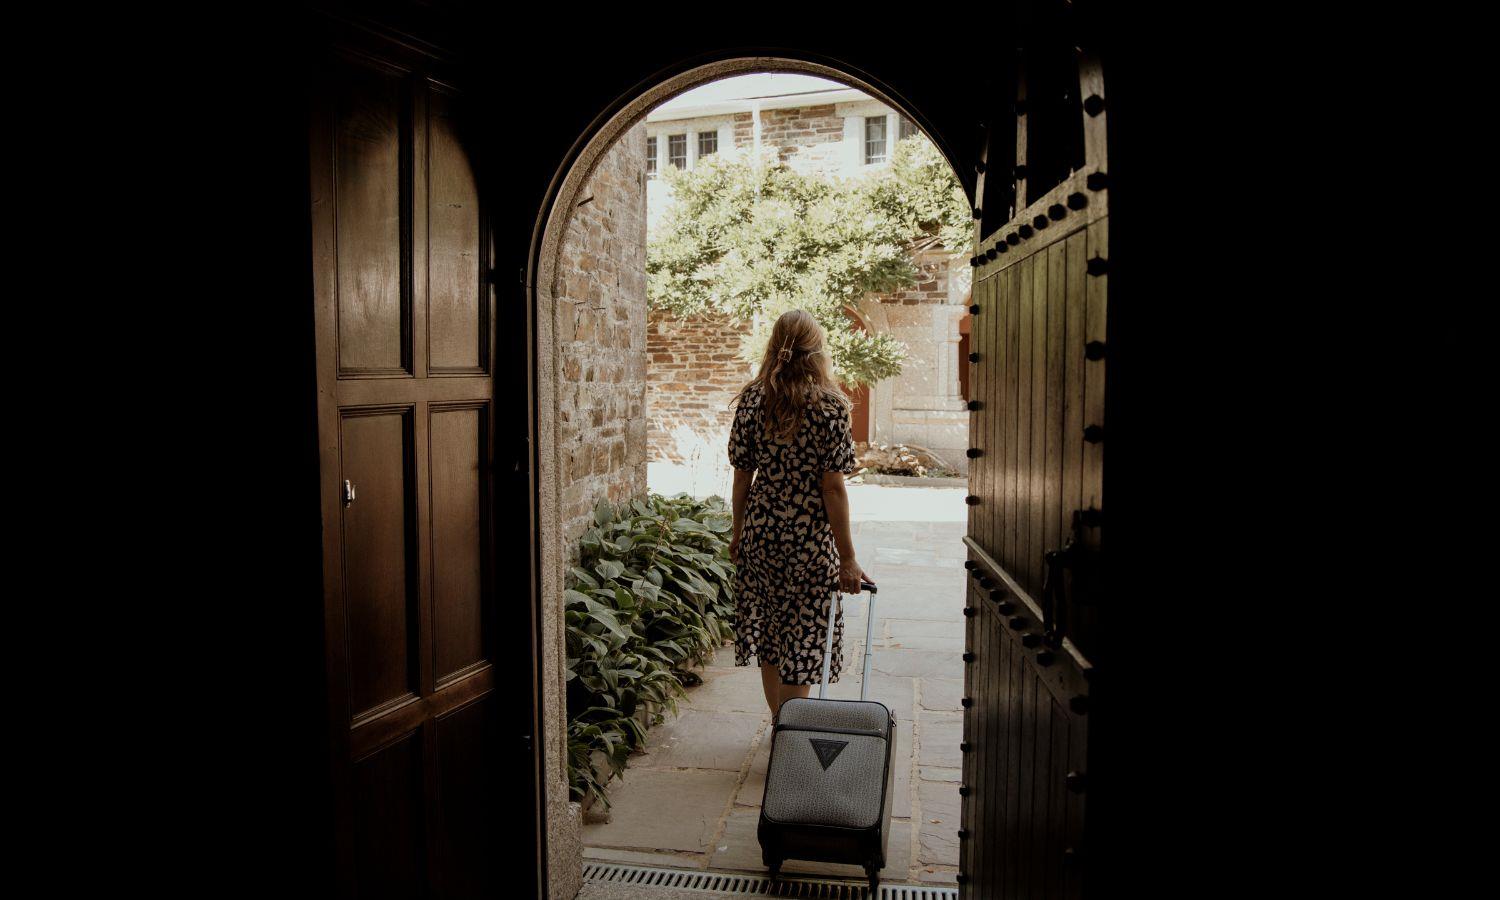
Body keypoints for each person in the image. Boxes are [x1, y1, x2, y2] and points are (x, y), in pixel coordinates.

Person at [726, 308, 876, 723]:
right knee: (804, 639)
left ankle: (781, 724)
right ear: (818, 351)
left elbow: (742, 477)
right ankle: (790, 732)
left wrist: (739, 533)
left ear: (774, 345)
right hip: (808, 542)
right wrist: (847, 557)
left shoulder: (753, 399)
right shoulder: (829, 407)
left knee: (773, 638)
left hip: (761, 535)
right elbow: (832, 488)